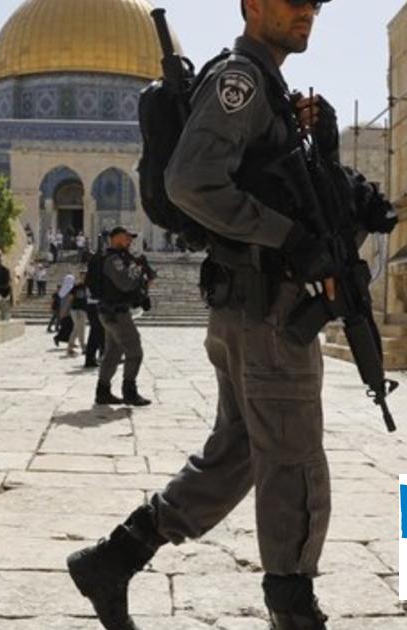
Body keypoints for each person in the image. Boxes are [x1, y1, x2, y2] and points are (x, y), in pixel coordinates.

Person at [68, 1, 340, 627]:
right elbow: (192, 181)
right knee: (293, 460)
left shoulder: (265, 85)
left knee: (240, 450)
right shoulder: (240, 79)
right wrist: (291, 240)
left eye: (315, 1)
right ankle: (293, 607)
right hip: (267, 310)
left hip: (252, 309)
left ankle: (114, 558)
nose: (306, 10)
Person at [92, 227, 153, 407]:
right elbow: (125, 283)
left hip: (111, 312)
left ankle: (102, 392)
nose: (130, 242)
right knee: (135, 352)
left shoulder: (117, 258)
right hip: (116, 313)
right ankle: (130, 392)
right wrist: (137, 268)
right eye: (127, 238)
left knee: (112, 353)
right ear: (117, 238)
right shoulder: (113, 260)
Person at [68, 273, 89, 358]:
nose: (83, 278)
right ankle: (83, 347)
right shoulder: (76, 287)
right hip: (75, 309)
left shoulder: (88, 287)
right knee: (78, 327)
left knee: (79, 328)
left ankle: (70, 346)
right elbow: (70, 297)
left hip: (83, 309)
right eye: (82, 277)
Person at [54, 274, 76, 348]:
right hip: (68, 311)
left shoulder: (62, 290)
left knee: (66, 327)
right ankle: (58, 338)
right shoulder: (70, 289)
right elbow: (68, 302)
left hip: (63, 311)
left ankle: (69, 341)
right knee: (68, 327)